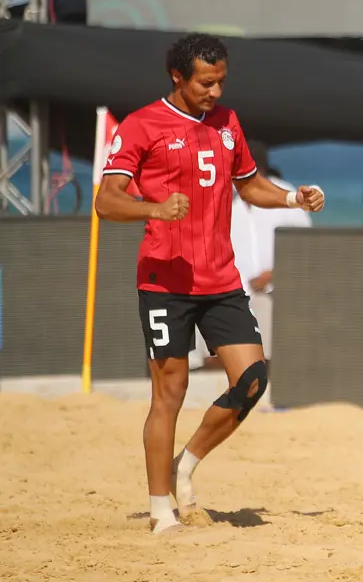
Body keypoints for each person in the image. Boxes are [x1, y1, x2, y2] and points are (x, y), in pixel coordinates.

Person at [95, 33, 326, 535]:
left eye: (221, 81)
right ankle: (161, 511)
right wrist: (153, 207)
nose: (215, 91)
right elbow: (107, 201)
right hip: (164, 280)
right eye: (205, 82)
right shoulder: (142, 125)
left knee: (252, 381)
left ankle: (186, 463)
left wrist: (292, 200)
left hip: (220, 278)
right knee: (170, 393)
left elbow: (249, 185)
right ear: (178, 76)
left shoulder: (227, 123)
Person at [227, 140, 313, 364]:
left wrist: (276, 274)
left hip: (273, 292)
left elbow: (307, 247)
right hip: (230, 293)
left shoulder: (287, 195)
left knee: (266, 356)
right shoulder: (224, 197)